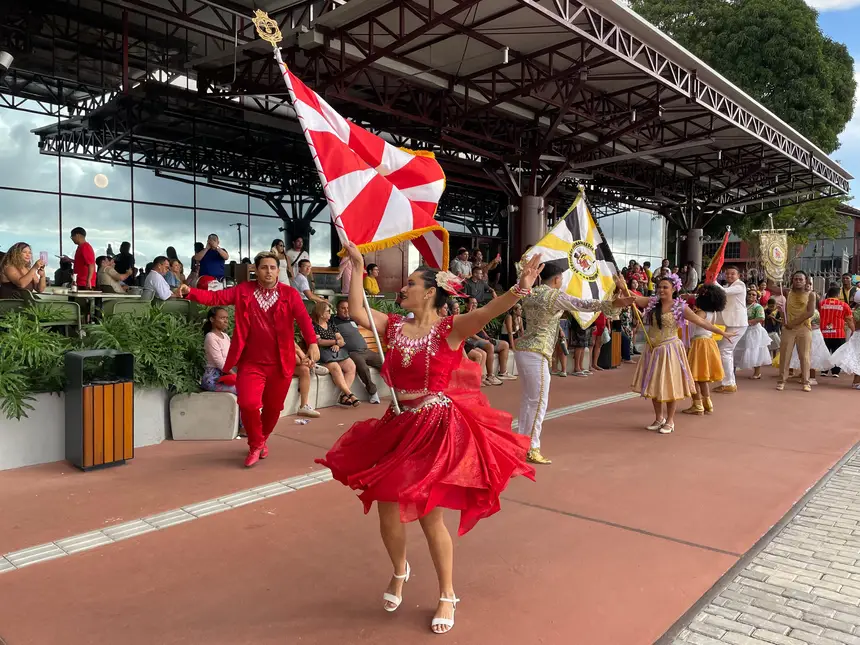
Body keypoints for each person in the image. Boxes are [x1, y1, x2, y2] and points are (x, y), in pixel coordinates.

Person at [317, 242, 541, 635]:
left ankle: (447, 593)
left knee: (428, 514)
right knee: (387, 508)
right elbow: (356, 311)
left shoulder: (449, 329)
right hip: (396, 424)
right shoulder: (393, 325)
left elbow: (489, 310)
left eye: (410, 284)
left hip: (433, 428)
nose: (403, 289)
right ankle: (400, 571)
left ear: (430, 292)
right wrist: (354, 266)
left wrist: (520, 287)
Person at [180, 252, 319, 467]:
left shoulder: (289, 294)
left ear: (278, 270)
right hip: (251, 362)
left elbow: (303, 319)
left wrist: (312, 342)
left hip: (281, 363)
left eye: (273, 267)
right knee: (248, 403)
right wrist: (191, 292)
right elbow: (216, 298)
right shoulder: (244, 290)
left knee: (274, 408)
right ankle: (255, 444)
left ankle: (262, 439)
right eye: (264, 267)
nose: (269, 271)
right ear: (256, 269)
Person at [514, 265, 635, 464]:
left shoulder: (531, 292)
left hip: (524, 350)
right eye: (561, 278)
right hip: (537, 352)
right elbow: (583, 304)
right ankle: (532, 447)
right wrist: (613, 302)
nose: (561, 282)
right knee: (538, 402)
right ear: (556, 279)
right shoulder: (553, 296)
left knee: (529, 400)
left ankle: (522, 442)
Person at [630, 275, 735, 433]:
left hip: (669, 350)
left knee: (670, 386)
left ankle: (670, 421)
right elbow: (633, 298)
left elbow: (701, 322)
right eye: (659, 287)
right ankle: (659, 418)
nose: (661, 290)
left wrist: (721, 332)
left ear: (674, 289)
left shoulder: (680, 307)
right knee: (654, 385)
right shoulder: (652, 302)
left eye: (665, 287)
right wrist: (622, 288)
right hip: (652, 350)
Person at [681, 284, 727, 416]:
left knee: (694, 376)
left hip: (699, 344)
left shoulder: (701, 313)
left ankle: (697, 404)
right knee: (702, 377)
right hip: (709, 342)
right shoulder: (712, 313)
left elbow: (691, 324)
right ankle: (707, 403)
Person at [311, 300, 361, 408]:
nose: (330, 313)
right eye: (328, 311)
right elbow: (319, 342)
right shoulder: (313, 326)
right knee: (336, 367)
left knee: (351, 366)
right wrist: (335, 342)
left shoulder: (331, 323)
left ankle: (343, 396)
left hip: (335, 351)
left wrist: (338, 344)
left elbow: (340, 338)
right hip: (322, 354)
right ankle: (349, 394)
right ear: (321, 313)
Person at [333, 299, 383, 404]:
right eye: (343, 308)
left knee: (384, 363)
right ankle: (373, 392)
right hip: (352, 353)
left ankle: (399, 388)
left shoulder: (352, 320)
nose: (346, 310)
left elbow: (364, 314)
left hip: (366, 350)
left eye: (348, 308)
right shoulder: (333, 322)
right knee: (363, 367)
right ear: (337, 310)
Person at [775, 271, 816, 392]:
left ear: (806, 281)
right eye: (796, 279)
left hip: (803, 328)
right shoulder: (787, 292)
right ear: (792, 280)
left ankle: (806, 382)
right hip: (788, 329)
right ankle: (781, 381)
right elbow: (770, 286)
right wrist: (775, 270)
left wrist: (793, 323)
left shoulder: (811, 294)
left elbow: (810, 312)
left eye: (800, 279)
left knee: (804, 356)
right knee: (785, 355)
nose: (798, 281)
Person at [713, 266, 748, 393]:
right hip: (731, 321)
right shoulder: (729, 286)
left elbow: (723, 292)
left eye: (732, 274)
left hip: (737, 323)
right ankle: (729, 382)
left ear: (738, 275)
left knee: (725, 351)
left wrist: (713, 281)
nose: (729, 276)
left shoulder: (740, 285)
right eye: (727, 274)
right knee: (726, 351)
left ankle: (729, 383)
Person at [465, 297, 514, 382]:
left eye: (475, 303)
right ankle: (490, 375)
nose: (474, 305)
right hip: (473, 340)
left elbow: (481, 329)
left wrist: (488, 338)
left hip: (482, 339)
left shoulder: (477, 315)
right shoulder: (465, 315)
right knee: (489, 346)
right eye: (472, 303)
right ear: (467, 304)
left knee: (505, 344)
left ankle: (503, 372)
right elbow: (469, 333)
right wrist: (483, 340)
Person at [789, 306, 834, 384]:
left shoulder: (812, 312)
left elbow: (804, 322)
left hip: (812, 334)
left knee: (812, 355)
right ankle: (804, 374)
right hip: (811, 333)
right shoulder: (812, 311)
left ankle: (812, 377)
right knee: (805, 353)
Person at [733, 289, 771, 380]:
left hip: (754, 331)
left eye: (753, 295)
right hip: (743, 330)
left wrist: (749, 322)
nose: (750, 296)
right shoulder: (742, 305)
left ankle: (757, 372)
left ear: (756, 297)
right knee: (737, 348)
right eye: (749, 294)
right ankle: (732, 370)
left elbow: (761, 318)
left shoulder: (758, 307)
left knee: (755, 350)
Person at [201, 307, 238, 396]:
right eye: (222, 318)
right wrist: (236, 377)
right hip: (213, 379)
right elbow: (220, 363)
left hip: (226, 376)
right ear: (212, 319)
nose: (226, 321)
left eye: (226, 318)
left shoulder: (225, 336)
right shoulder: (211, 337)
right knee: (243, 389)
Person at [820, 285, 854, 377]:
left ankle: (824, 370)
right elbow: (849, 319)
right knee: (837, 353)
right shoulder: (844, 305)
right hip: (838, 333)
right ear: (838, 295)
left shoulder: (821, 304)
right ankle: (835, 372)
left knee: (824, 352)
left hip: (823, 333)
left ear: (827, 294)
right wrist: (854, 330)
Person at [830, 306, 860, 390]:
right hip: (858, 336)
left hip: (857, 335)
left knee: (857, 358)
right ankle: (856, 382)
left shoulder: (857, 310)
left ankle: (856, 381)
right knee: (858, 358)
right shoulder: (858, 311)